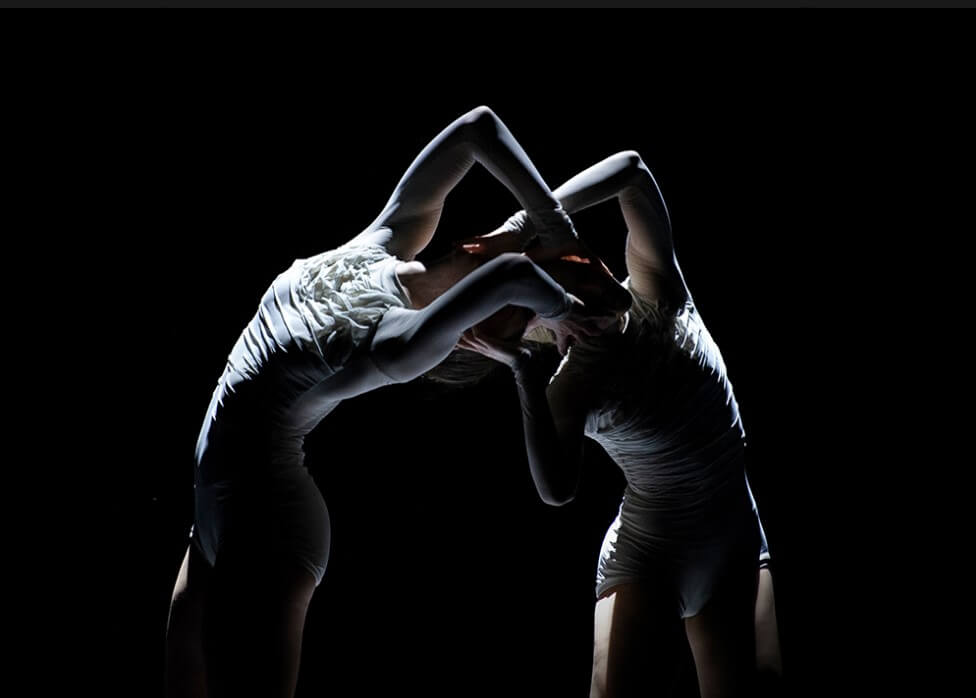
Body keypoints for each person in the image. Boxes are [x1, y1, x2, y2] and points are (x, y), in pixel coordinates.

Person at [164, 106, 618, 698]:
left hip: (265, 517)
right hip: (214, 505)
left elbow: (513, 274)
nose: (485, 246)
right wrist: (539, 224)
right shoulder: (385, 240)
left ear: (478, 323)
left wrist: (561, 303)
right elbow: (477, 127)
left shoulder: (398, 344)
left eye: (517, 314)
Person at [462, 150, 781, 697]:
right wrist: (522, 373)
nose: (588, 260)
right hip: (652, 556)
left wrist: (526, 222)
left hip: (735, 539)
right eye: (567, 269)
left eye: (578, 253)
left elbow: (632, 170)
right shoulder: (573, 386)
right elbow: (557, 489)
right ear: (548, 314)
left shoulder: (656, 287)